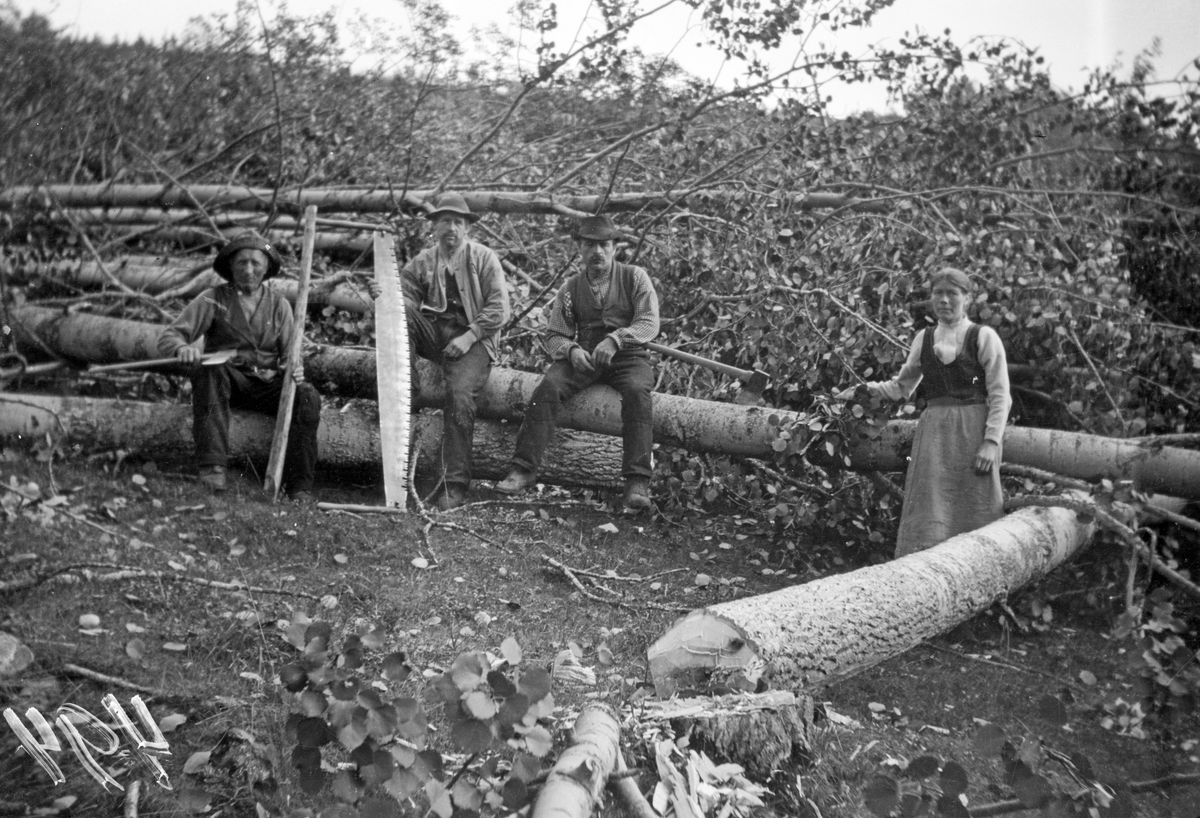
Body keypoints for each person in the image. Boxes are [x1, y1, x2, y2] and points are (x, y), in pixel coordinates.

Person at [841, 267, 1011, 557]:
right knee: (931, 508)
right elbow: (900, 388)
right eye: (938, 294)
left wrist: (991, 442)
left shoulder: (983, 337)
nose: (944, 300)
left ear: (967, 299)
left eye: (952, 294)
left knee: (977, 508)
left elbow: (1000, 395)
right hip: (934, 433)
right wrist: (858, 392)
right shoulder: (925, 338)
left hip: (973, 432)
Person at [497, 214, 660, 510]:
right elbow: (554, 335)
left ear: (615, 247)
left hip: (629, 357)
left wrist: (616, 340)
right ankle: (523, 468)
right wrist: (571, 351)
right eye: (589, 245)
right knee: (549, 386)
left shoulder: (635, 277)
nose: (597, 252)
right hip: (584, 357)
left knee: (638, 393)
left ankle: (637, 481)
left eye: (604, 245)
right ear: (580, 249)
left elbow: (649, 322)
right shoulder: (570, 288)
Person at [369, 192, 511, 511]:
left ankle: (455, 483)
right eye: (445, 221)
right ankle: (411, 390)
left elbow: (501, 308)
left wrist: (470, 335)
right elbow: (399, 296)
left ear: (467, 229)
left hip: (474, 340)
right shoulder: (425, 260)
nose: (451, 228)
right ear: (434, 226)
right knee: (399, 313)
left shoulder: (483, 258)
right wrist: (380, 294)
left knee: (460, 396)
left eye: (458, 222)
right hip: (437, 334)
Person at [158, 232, 321, 501]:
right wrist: (181, 348)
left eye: (255, 263)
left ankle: (299, 486)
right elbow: (169, 336)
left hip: (267, 385)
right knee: (210, 366)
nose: (248, 269)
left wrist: (295, 368)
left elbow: (289, 356)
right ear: (230, 267)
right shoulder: (212, 298)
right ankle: (212, 468)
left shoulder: (279, 305)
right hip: (227, 382)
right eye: (241, 263)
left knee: (307, 395)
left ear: (266, 268)